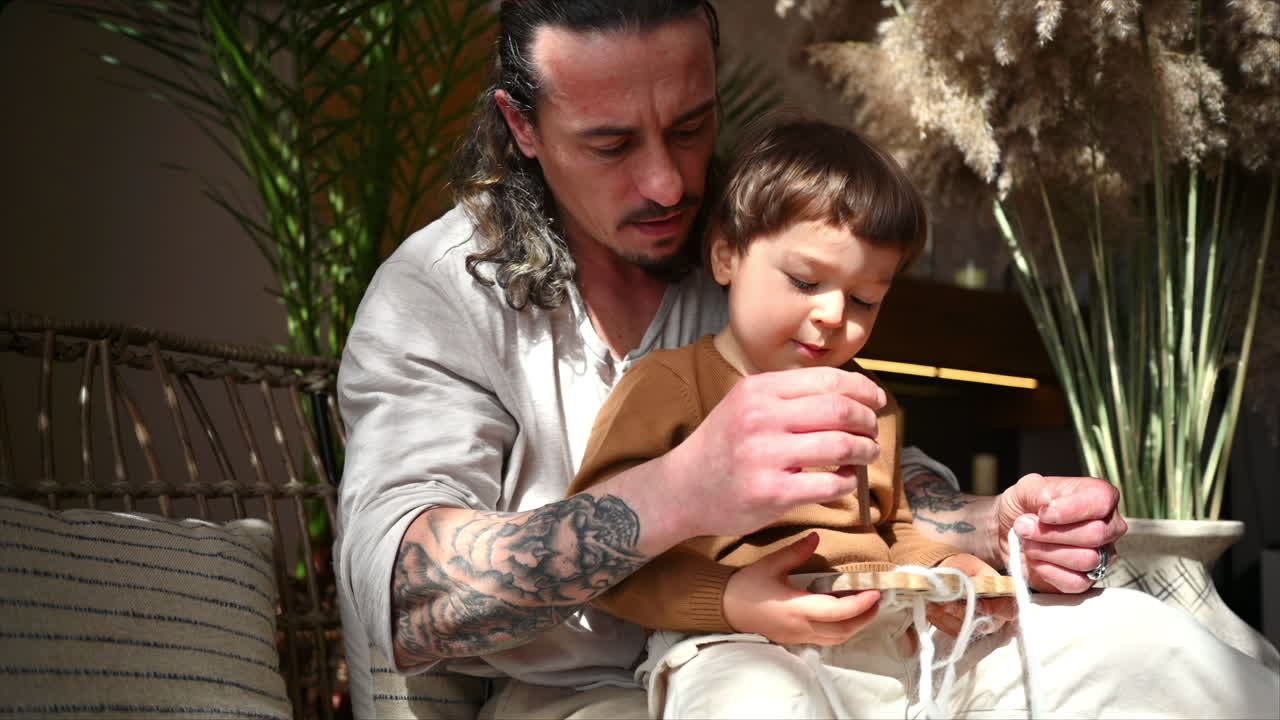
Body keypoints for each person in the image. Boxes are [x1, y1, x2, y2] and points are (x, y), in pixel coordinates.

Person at [334, 2, 1278, 718]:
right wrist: (682, 489)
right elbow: (404, 602)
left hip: (870, 649)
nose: (667, 181)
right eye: (611, 143)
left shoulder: (763, 239)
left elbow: (888, 492)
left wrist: (994, 528)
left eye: (693, 126)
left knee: (1155, 648)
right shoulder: (437, 300)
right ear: (524, 126)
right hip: (609, 697)